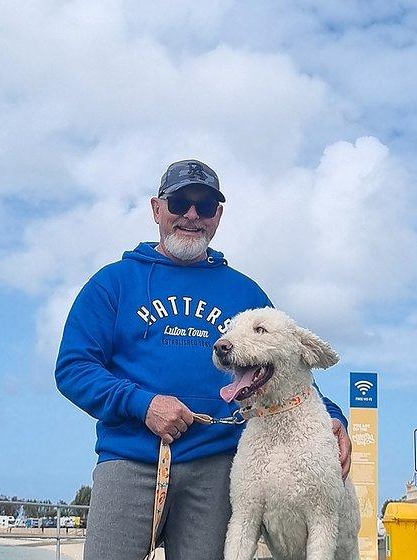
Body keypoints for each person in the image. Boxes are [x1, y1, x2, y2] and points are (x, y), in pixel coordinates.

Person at [55, 159, 352, 560]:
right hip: (130, 459)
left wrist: (334, 417)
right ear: (157, 209)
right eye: (179, 203)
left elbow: (287, 367)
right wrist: (144, 405)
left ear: (218, 216)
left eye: (206, 205)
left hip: (217, 465)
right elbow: (74, 367)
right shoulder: (112, 283)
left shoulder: (245, 292)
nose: (192, 215)